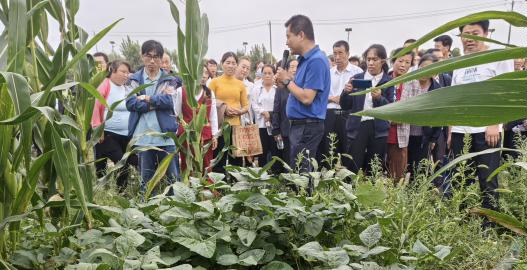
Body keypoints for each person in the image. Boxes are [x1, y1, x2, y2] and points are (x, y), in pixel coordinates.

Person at [449, 20, 514, 212]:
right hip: (462, 131)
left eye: (474, 33)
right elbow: (453, 98)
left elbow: (505, 92)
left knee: (488, 178)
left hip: (487, 130)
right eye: (465, 35)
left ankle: (490, 224)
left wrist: (494, 124)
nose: (469, 39)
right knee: (459, 178)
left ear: (486, 33)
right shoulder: (459, 62)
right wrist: (452, 130)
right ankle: (460, 219)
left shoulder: (498, 57)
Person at [276, 14, 331, 172]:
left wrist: (287, 81)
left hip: (307, 127)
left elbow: (307, 98)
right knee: (298, 172)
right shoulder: (305, 60)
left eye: (288, 36)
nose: (286, 42)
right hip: (301, 126)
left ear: (301, 35)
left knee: (302, 174)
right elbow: (298, 91)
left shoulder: (316, 61)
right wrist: (285, 83)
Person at [126, 40, 182, 193]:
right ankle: (149, 211)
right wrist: (156, 102)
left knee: (173, 179)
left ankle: (176, 211)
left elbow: (170, 101)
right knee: (147, 179)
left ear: (161, 58)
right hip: (143, 137)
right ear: (142, 56)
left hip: (166, 136)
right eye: (148, 56)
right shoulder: (134, 80)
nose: (152, 61)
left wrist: (147, 98)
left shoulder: (169, 79)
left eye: (156, 57)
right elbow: (131, 103)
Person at [340, 44, 394, 174]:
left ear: (382, 61)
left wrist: (379, 98)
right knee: (352, 165)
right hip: (358, 126)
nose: (370, 63)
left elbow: (391, 108)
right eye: (368, 59)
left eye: (374, 59)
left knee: (374, 167)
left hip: (378, 128)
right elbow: (345, 105)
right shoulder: (357, 78)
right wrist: (346, 92)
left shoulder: (388, 81)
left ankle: (372, 192)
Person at [91, 60, 137, 192]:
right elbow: (96, 107)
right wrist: (97, 129)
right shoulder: (105, 84)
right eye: (123, 71)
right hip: (108, 134)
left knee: (128, 163)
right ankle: (102, 190)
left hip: (126, 134)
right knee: (120, 163)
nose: (126, 75)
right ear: (113, 70)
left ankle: (121, 192)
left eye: (128, 72)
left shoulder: (127, 88)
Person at [318, 40, 362, 167]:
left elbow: (362, 97)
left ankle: (348, 182)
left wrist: (345, 97)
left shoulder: (357, 73)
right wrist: (333, 98)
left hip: (349, 114)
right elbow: (319, 96)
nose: (337, 57)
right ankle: (329, 181)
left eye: (340, 53)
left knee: (348, 150)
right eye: (335, 53)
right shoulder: (328, 73)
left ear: (348, 53)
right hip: (330, 114)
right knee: (329, 150)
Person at [209, 52, 250, 173]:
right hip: (220, 127)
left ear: (236, 65)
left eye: (233, 63)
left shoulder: (240, 84)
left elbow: (246, 105)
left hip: (236, 127)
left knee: (236, 159)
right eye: (228, 62)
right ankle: (218, 189)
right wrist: (224, 108)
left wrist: (240, 111)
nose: (231, 66)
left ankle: (235, 187)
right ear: (222, 64)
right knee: (219, 158)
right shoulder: (215, 82)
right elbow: (209, 102)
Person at [174, 66, 219, 173]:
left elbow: (213, 115)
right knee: (187, 164)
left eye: (206, 73)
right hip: (187, 136)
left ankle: (208, 188)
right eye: (200, 72)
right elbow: (177, 114)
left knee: (206, 164)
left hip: (205, 135)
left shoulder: (209, 93)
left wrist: (214, 135)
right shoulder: (181, 91)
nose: (203, 76)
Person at [406, 54, 443, 177]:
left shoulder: (437, 89)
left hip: (424, 137)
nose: (424, 71)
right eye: (422, 67)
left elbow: (439, 116)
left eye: (429, 68)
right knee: (405, 167)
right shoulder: (409, 83)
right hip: (405, 133)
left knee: (420, 169)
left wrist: (433, 139)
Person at [386, 48, 415, 180]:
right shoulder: (384, 79)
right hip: (381, 132)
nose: (403, 65)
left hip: (400, 134)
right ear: (393, 61)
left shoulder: (413, 82)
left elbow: (414, 107)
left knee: (397, 174)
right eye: (400, 61)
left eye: (407, 62)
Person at [272, 59, 298, 170]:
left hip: (302, 130)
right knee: (288, 161)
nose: (295, 69)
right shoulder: (280, 89)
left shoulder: (304, 87)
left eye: (297, 66)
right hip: (286, 130)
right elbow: (276, 110)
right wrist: (276, 130)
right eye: (292, 67)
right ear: (286, 70)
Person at [251, 65, 278, 169]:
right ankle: (263, 174)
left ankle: (276, 174)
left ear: (273, 74)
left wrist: (271, 114)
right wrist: (263, 112)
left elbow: (279, 106)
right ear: (261, 75)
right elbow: (254, 104)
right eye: (265, 73)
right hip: (261, 125)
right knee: (263, 151)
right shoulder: (257, 89)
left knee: (275, 150)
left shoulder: (277, 89)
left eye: (269, 73)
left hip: (274, 124)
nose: (267, 76)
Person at [503, 58, 527, 159]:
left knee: (520, 154)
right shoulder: (507, 77)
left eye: (520, 58)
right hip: (509, 124)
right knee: (508, 154)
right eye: (515, 58)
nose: (517, 61)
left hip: (523, 124)